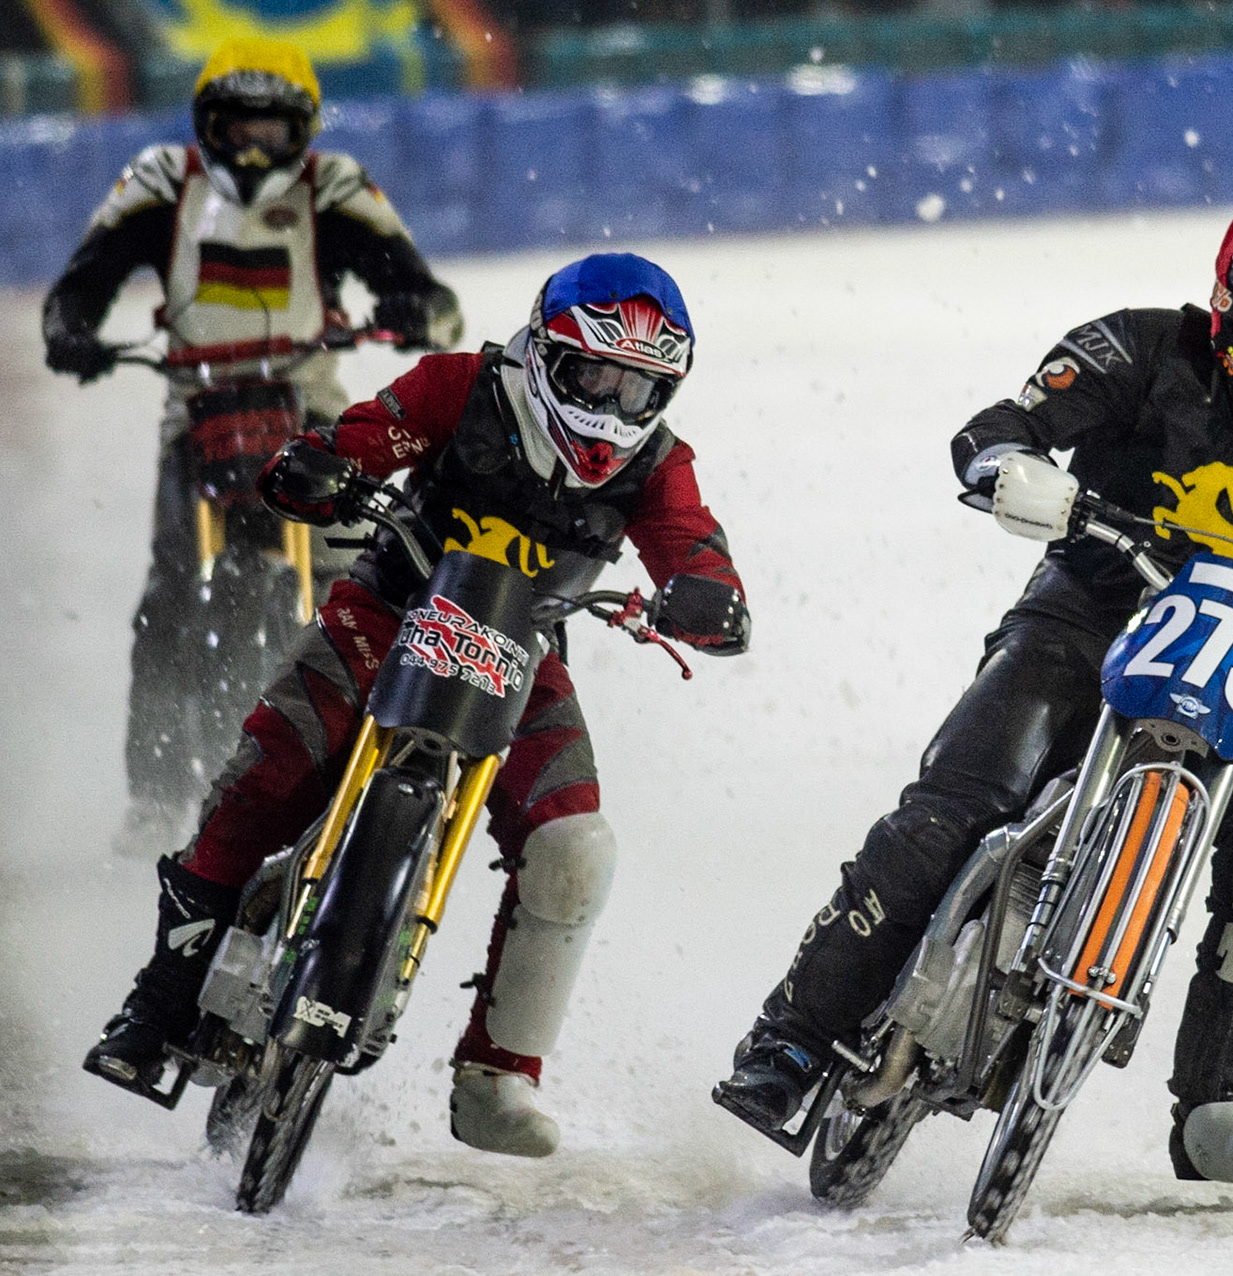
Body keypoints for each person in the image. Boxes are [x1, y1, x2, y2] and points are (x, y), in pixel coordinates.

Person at [714, 199, 1233, 1184]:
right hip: (1079, 618)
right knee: (953, 811)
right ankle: (791, 1039)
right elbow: (1005, 423)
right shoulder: (1143, 349)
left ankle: (1215, 1107)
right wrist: (1011, 464)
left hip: (1222, 664)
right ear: (1229, 305)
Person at [82, 253, 749, 1158]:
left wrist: (710, 596)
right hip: (390, 607)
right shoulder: (460, 387)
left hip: (522, 650)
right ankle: (157, 1003)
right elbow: (365, 435)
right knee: (267, 773)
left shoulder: (660, 464)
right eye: (594, 372)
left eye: (640, 385)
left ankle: (499, 1076)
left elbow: (693, 546)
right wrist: (319, 464)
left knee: (576, 849)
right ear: (546, 354)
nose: (614, 403)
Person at [42, 37, 464, 838]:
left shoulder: (335, 185)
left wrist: (418, 313)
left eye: (271, 130)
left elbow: (428, 292)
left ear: (302, 129)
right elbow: (81, 284)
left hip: (310, 407)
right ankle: (157, 791)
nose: (251, 146)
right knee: (169, 589)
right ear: (206, 123)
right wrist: (71, 330)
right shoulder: (163, 181)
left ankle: (367, 766)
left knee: (360, 592)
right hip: (195, 412)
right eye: (236, 126)